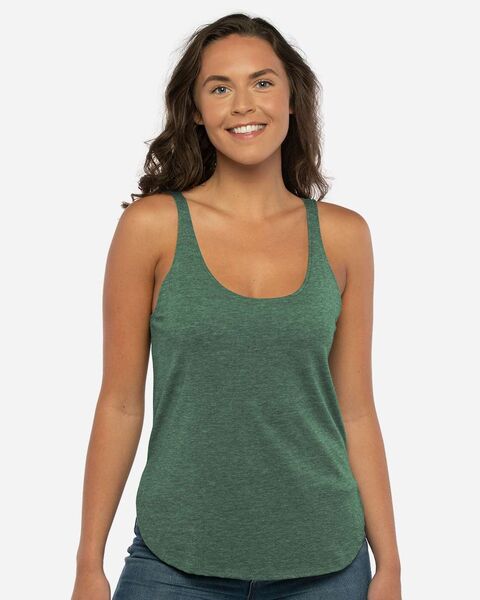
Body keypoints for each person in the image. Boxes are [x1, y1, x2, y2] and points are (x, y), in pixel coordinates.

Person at [71, 12, 402, 600]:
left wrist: (391, 566)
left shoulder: (345, 236)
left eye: (263, 82)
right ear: (197, 111)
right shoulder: (152, 228)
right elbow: (120, 403)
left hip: (326, 560)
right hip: (175, 559)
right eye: (220, 87)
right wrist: (88, 565)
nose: (243, 104)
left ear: (292, 99)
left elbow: (355, 410)